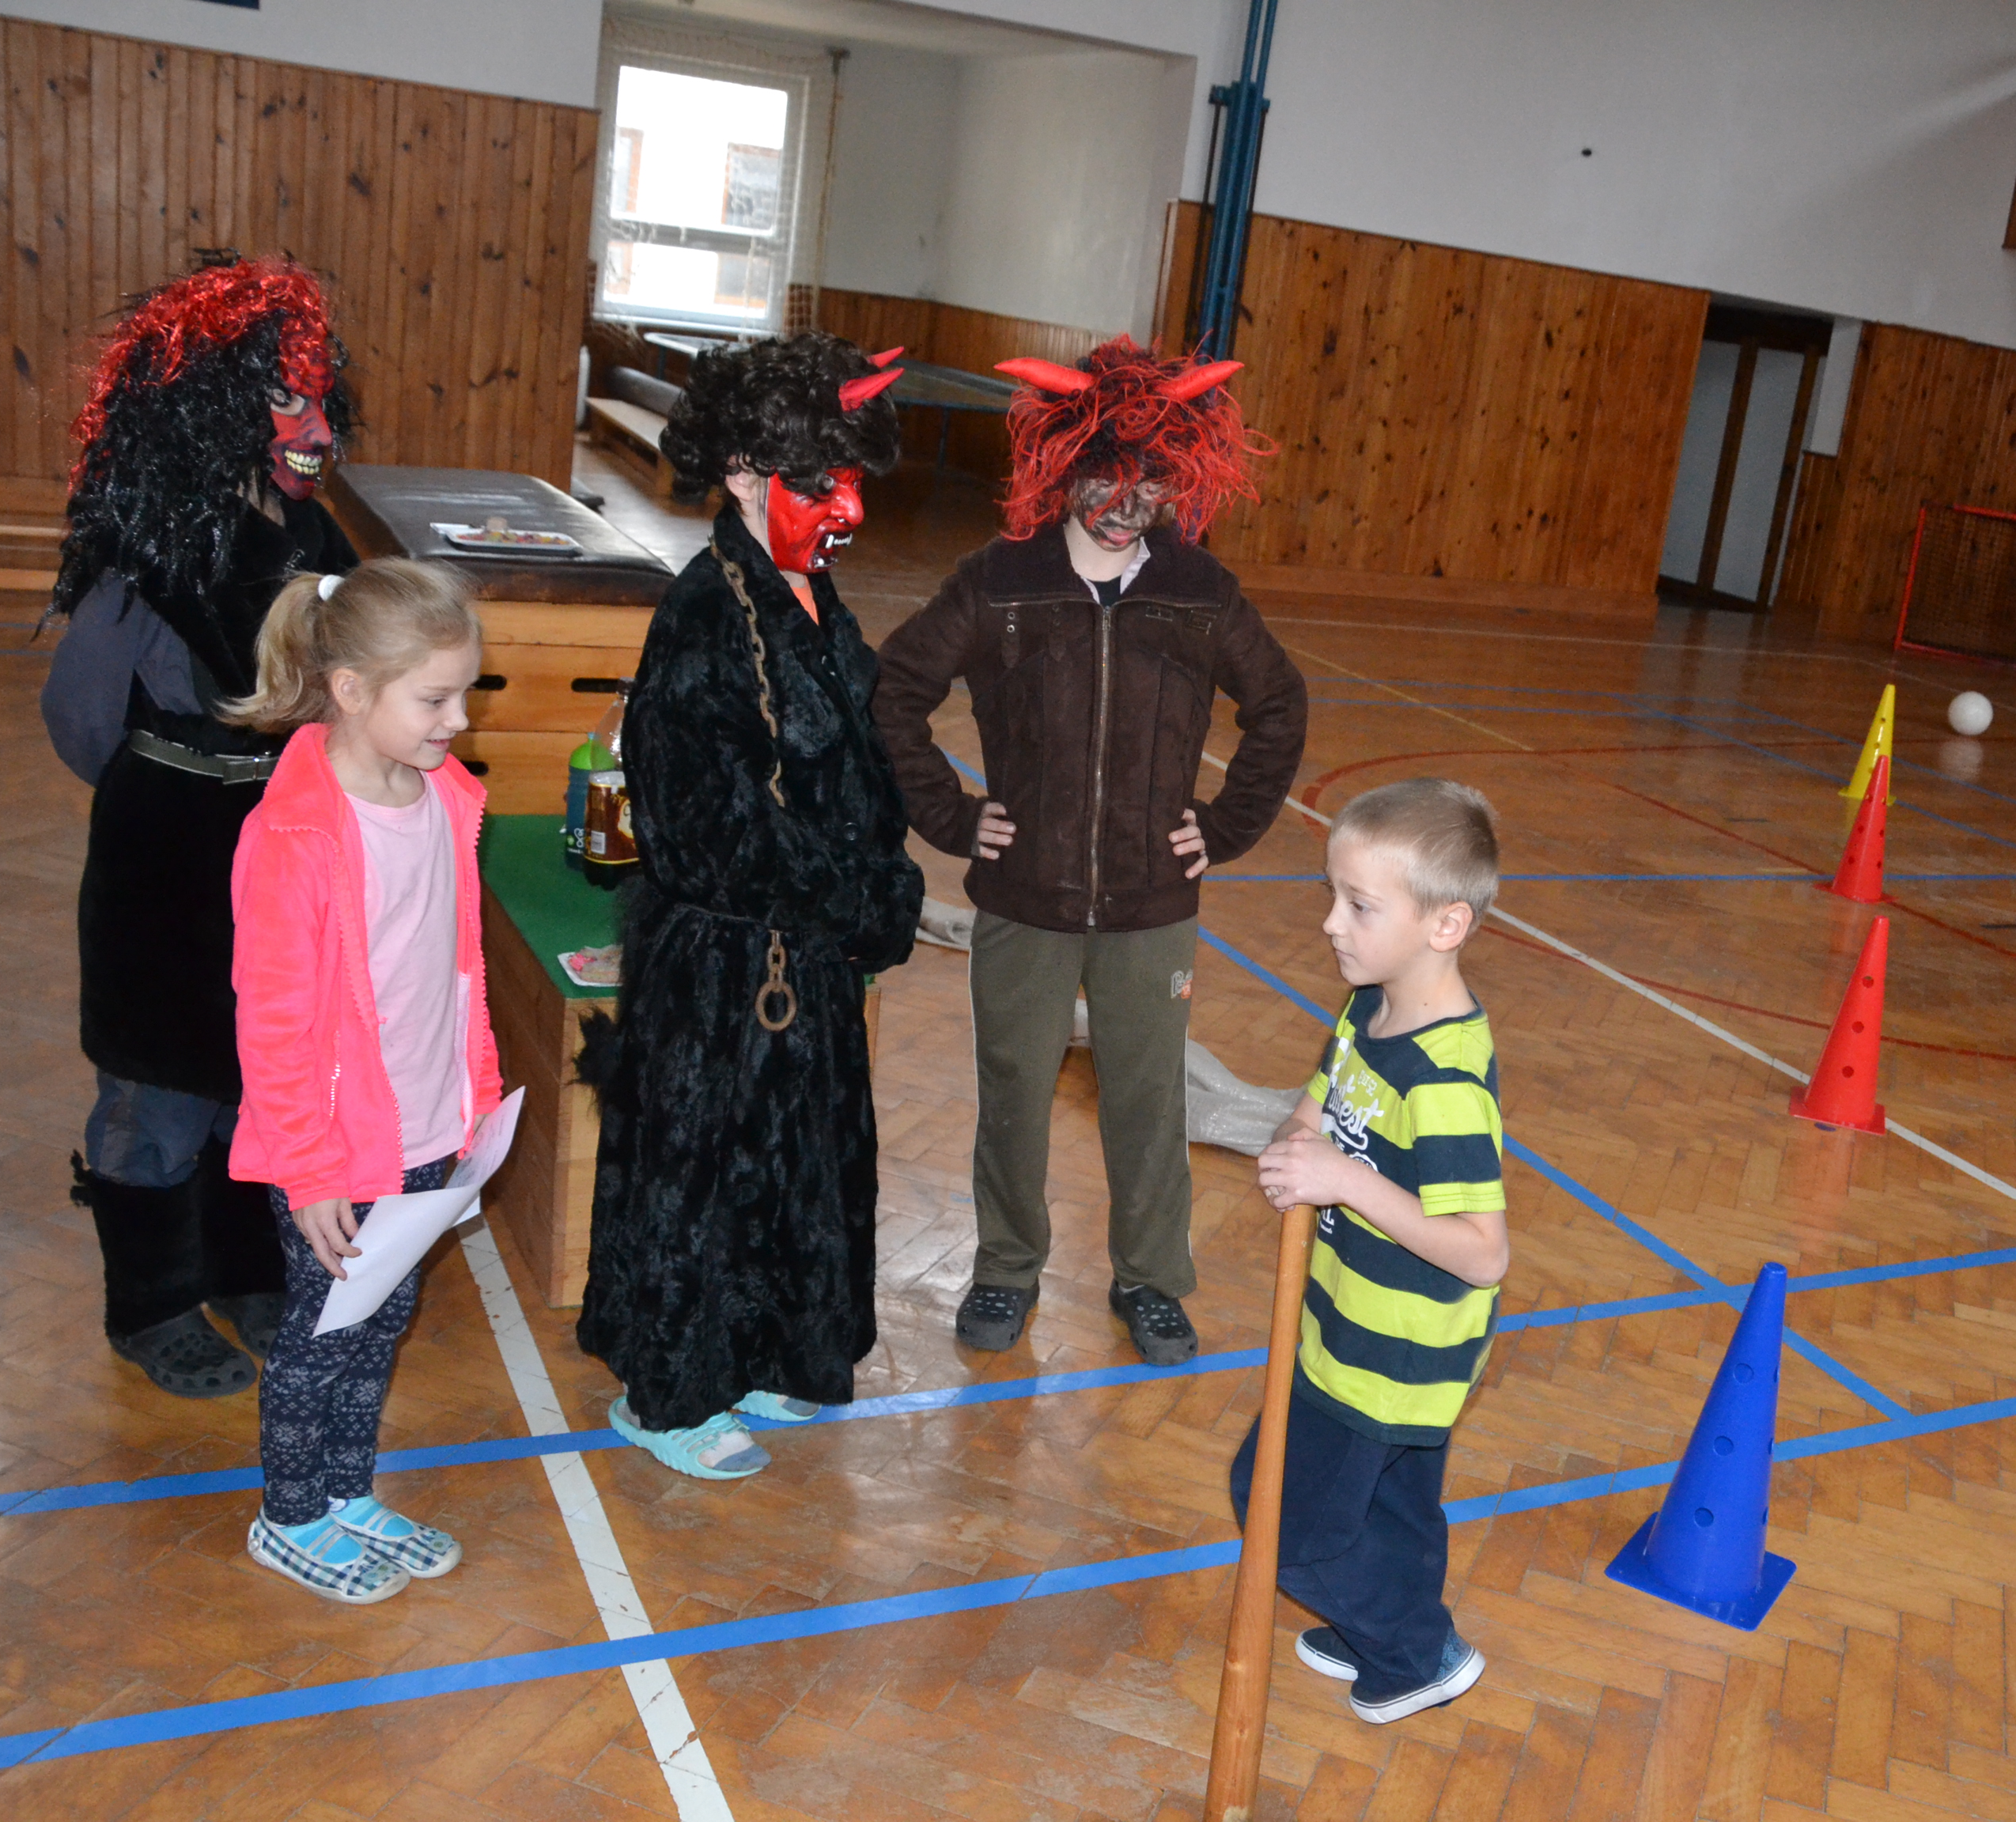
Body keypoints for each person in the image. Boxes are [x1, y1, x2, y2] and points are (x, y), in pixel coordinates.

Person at [872, 337, 1308, 1366]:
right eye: (1104, 476)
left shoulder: (1198, 592)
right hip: (1024, 898)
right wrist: (951, 815)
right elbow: (894, 692)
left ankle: (1151, 1281)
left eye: (1151, 480)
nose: (1125, 503)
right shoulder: (1000, 582)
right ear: (1062, 466)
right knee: (1014, 1096)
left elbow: (1280, 706)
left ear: (1180, 478)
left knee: (1149, 1104)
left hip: (1153, 908)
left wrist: (1225, 825)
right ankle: (1005, 1268)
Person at [575, 335, 924, 1480]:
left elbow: (854, 762)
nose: (847, 508)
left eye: (851, 479)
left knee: (798, 1160)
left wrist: (885, 875)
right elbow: (707, 832)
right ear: (739, 473)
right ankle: (669, 1391)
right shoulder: (702, 618)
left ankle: (770, 1348)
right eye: (818, 482)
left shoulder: (811, 592)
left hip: (806, 953)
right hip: (726, 965)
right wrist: (848, 897)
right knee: (703, 1174)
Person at [41, 255, 364, 1398]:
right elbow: (82, 718)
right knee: (158, 1087)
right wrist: (174, 787)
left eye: (320, 398)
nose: (315, 428)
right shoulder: (148, 556)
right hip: (167, 855)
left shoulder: (318, 542)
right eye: (286, 399)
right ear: (212, 410)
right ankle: (152, 1303)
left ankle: (242, 1269)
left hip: (279, 841)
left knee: (259, 1069)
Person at [225, 559, 500, 1604]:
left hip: (425, 1128)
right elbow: (275, 1026)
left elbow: (452, 970)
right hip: (334, 1152)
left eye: (463, 694)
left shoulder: (443, 799)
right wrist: (308, 1172)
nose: (459, 721)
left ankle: (346, 1493)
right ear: (350, 691)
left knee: (380, 1324)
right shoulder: (294, 836)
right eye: (435, 699)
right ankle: (289, 1516)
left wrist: (472, 1104)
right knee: (318, 1343)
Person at [1243, 779, 1508, 1723]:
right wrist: (1296, 1143)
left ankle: (1409, 1647)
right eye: (1333, 895)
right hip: (1347, 1318)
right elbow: (1320, 1102)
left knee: (1277, 1506)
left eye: (1359, 905)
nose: (1331, 923)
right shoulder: (1369, 1010)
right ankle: (1388, 1633)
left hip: (1395, 1351)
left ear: (1446, 925)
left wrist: (1345, 1181)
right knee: (1392, 1504)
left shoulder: (1442, 1082)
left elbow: (1482, 1253)